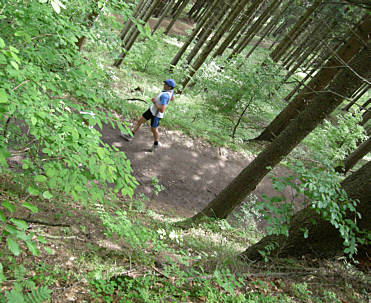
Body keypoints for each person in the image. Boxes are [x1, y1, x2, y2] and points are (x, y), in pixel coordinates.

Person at [121, 79, 176, 151]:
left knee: (154, 130)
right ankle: (130, 135)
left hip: (156, 115)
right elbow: (172, 98)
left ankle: (156, 144)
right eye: (164, 83)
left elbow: (162, 110)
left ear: (169, 87)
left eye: (165, 84)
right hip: (151, 110)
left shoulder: (165, 96)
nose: (164, 85)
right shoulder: (170, 91)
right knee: (140, 121)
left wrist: (155, 102)